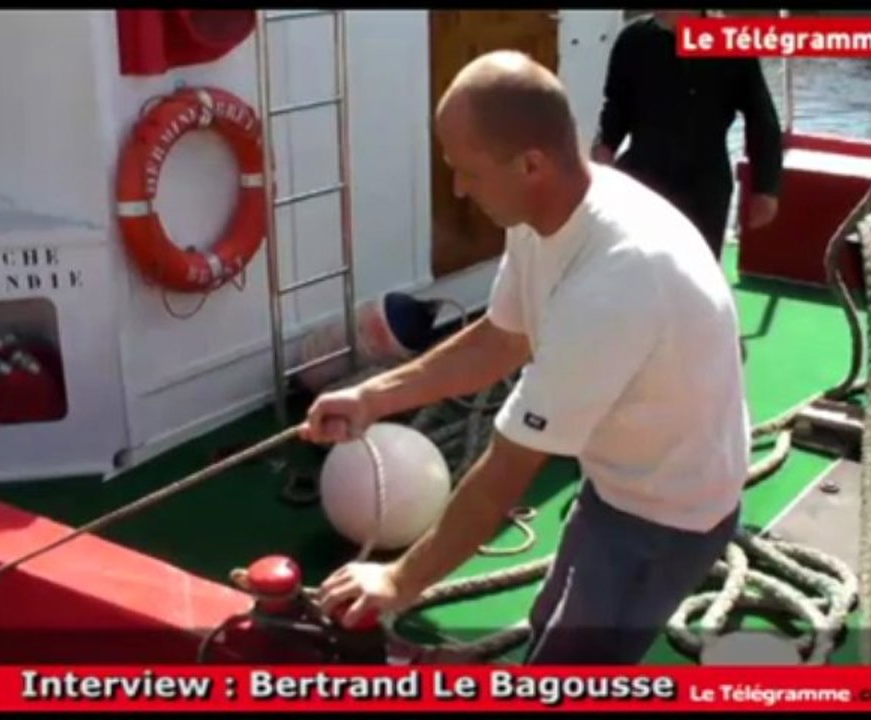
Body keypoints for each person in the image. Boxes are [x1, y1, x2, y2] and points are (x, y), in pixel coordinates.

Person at [303, 50, 750, 664]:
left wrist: (398, 581)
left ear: (532, 163)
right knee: (550, 627)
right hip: (617, 479)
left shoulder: (617, 281)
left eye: (470, 173)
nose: (459, 189)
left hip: (669, 511)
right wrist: (372, 396)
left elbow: (503, 476)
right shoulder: (542, 213)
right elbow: (501, 339)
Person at [592, 10, 783, 260]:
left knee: (699, 273)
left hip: (705, 184)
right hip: (644, 178)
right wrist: (603, 151)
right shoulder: (634, 39)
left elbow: (761, 119)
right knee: (639, 269)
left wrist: (765, 188)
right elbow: (616, 106)